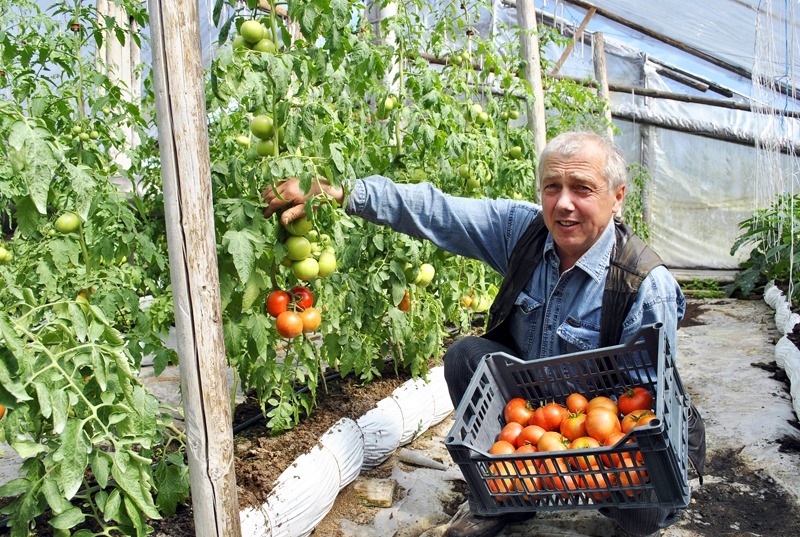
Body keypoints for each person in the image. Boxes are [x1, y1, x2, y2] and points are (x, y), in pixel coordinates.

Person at [263, 131, 689, 537]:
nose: (564, 204)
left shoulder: (644, 285)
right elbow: (439, 211)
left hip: (596, 433)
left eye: (582, 188)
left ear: (617, 197)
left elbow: (648, 406)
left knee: (642, 515)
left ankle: (579, 491)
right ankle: (507, 500)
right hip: (530, 414)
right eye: (551, 187)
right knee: (466, 354)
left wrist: (580, 455)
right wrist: (339, 192)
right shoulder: (523, 232)